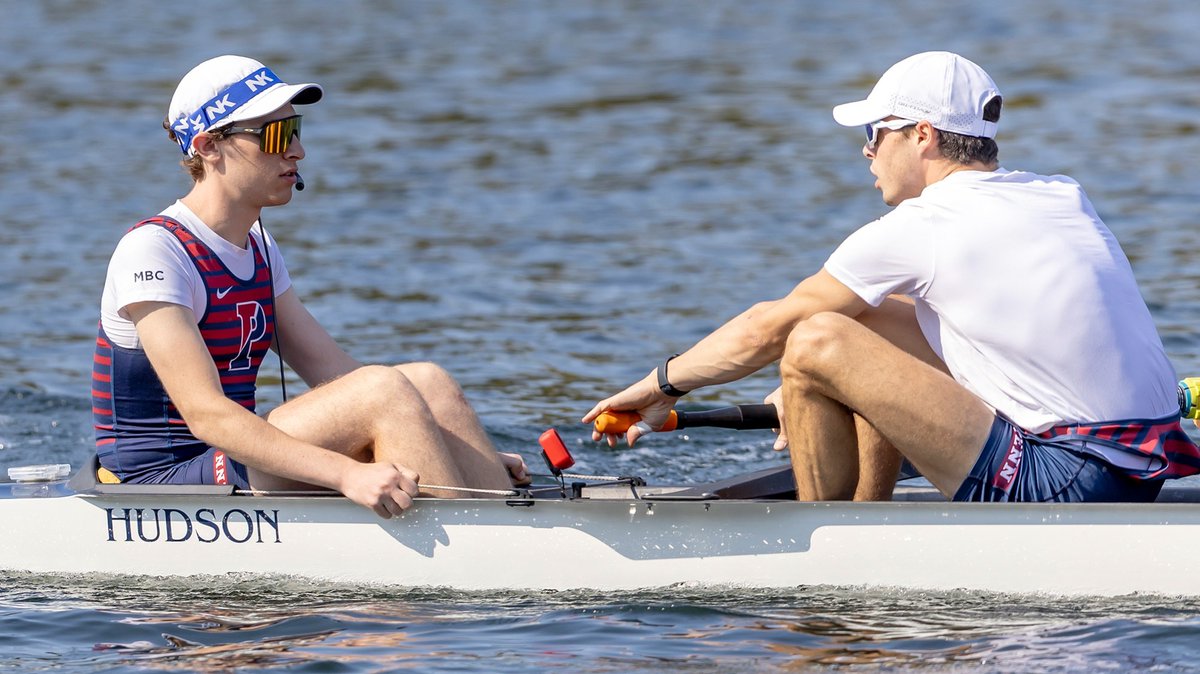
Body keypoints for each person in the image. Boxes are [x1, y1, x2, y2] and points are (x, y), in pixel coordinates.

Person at [584, 51, 1200, 503]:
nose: (866, 152)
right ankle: (865, 513)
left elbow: (768, 329)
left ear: (923, 136)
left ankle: (829, 543)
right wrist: (818, 394)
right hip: (1133, 472)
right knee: (862, 318)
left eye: (876, 134)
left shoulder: (924, 225)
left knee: (814, 339)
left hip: (1063, 485)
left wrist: (660, 386)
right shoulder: (1061, 195)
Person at [91, 55, 527, 518]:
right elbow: (206, 415)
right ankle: (474, 564)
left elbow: (335, 373)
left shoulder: (258, 245)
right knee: (383, 389)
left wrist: (447, 444)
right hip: (163, 481)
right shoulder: (154, 251)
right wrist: (346, 474)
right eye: (276, 136)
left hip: (236, 457)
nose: (297, 151)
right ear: (208, 146)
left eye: (296, 130)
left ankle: (495, 530)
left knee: (426, 383)